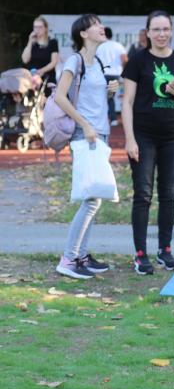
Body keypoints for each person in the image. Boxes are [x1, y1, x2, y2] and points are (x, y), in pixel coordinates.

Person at [122, 10, 174, 275]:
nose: (162, 34)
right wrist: (130, 139)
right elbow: (127, 102)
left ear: (171, 31)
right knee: (143, 194)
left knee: (169, 195)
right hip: (143, 136)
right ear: (148, 32)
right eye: (156, 30)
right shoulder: (137, 60)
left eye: (166, 29)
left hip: (173, 136)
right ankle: (140, 254)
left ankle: (165, 250)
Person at [54, 14, 119, 279]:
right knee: (91, 199)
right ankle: (68, 259)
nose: (101, 27)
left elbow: (93, 97)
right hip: (85, 134)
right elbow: (60, 96)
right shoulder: (75, 60)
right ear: (83, 33)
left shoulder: (99, 61)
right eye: (95, 24)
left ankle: (81, 255)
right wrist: (85, 124)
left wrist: (110, 91)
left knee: (96, 197)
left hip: (100, 134)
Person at [97, 27, 127, 126]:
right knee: (110, 97)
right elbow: (125, 60)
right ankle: (112, 119)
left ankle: (104, 119)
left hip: (102, 75)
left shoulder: (99, 46)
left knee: (102, 98)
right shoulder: (118, 45)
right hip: (115, 75)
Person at [21, 15, 59, 96]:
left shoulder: (52, 42)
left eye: (40, 27)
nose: (37, 29)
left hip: (47, 78)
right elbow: (25, 59)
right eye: (35, 27)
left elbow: (54, 62)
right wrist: (30, 42)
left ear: (45, 28)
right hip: (32, 79)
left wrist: (41, 71)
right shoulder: (32, 44)